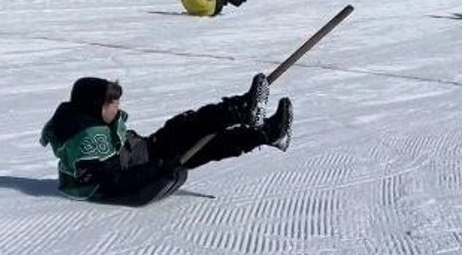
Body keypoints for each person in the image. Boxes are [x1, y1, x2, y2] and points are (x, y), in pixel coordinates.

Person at [40, 74, 293, 205]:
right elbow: (114, 183)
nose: (119, 107)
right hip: (139, 168)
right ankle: (259, 126)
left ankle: (251, 116)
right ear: (95, 105)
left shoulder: (84, 117)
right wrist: (160, 169)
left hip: (139, 153)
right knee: (200, 141)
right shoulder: (88, 141)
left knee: (185, 128)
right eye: (113, 103)